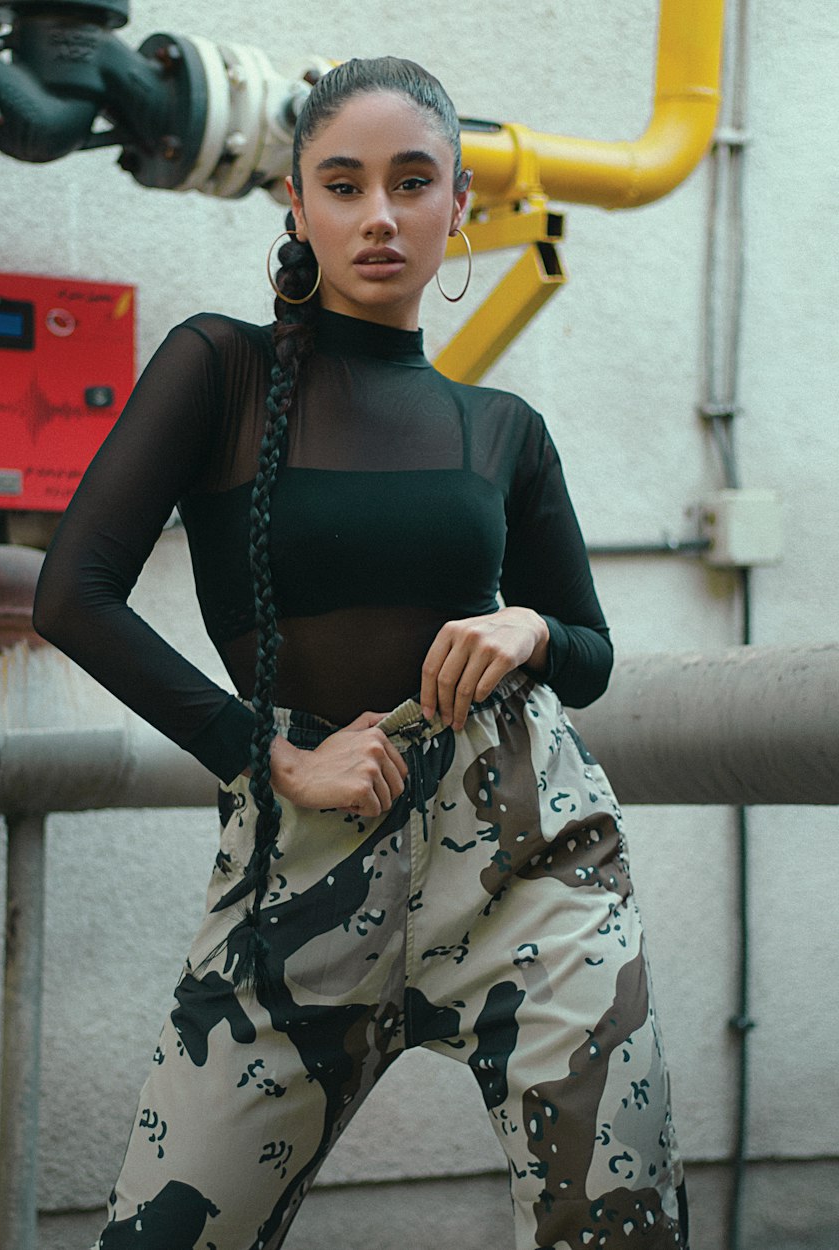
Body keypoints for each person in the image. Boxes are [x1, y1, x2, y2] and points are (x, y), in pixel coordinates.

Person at [34, 56, 688, 1250]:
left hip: (529, 855)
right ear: (296, 204)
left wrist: (529, 626)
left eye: (411, 181)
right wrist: (264, 749)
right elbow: (72, 595)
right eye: (343, 184)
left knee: (619, 1231)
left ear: (456, 205)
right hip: (302, 858)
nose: (378, 214)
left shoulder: (501, 427)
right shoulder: (215, 367)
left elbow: (587, 651)